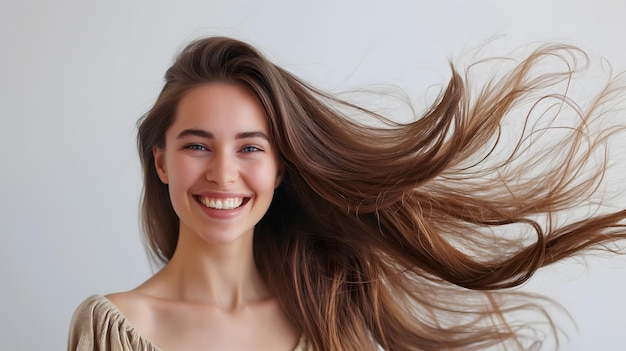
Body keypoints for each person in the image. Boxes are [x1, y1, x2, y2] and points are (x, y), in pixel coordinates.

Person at [68, 36, 626, 351]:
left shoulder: (329, 308)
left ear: (283, 167)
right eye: (197, 146)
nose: (223, 174)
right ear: (160, 161)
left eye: (251, 148)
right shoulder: (115, 329)